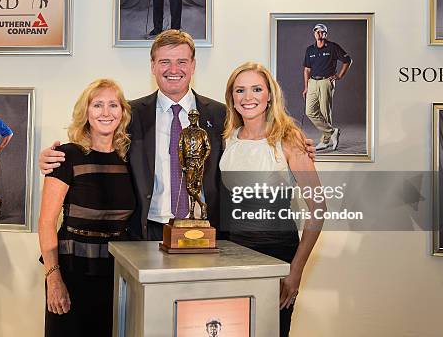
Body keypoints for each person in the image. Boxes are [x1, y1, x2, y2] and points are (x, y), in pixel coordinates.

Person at [39, 30, 316, 241]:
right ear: (152, 66)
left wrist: (296, 145)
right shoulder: (130, 114)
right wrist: (54, 158)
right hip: (146, 233)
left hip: (209, 234)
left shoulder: (222, 116)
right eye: (165, 62)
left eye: (182, 61)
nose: (174, 69)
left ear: (193, 66)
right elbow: (96, 144)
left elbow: (257, 136)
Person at [220, 62, 324, 337]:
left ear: (269, 96)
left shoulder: (289, 138)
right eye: (240, 90)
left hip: (276, 257)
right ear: (232, 97)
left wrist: (296, 270)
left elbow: (318, 209)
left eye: (256, 89)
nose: (248, 97)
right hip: (230, 259)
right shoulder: (228, 139)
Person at [38, 79, 135, 337]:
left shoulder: (129, 159)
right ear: (86, 112)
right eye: (98, 105)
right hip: (72, 271)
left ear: (123, 112)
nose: (106, 112)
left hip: (118, 273)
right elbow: (47, 222)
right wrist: (53, 278)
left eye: (113, 105)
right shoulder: (67, 156)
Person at [302, 23, 352, 151]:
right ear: (314, 33)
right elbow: (307, 70)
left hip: (326, 82)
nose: (319, 34)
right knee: (309, 111)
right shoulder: (310, 50)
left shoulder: (333, 47)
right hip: (312, 82)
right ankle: (332, 132)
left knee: (325, 112)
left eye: (321, 32)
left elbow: (348, 61)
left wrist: (339, 75)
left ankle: (325, 141)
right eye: (317, 31)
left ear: (326, 34)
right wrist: (306, 87)